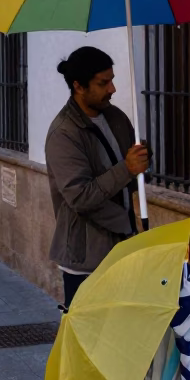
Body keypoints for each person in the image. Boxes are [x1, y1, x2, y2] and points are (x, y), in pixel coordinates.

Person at [45, 46, 149, 308]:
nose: (112, 89)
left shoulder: (115, 117)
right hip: (87, 260)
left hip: (123, 246)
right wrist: (127, 168)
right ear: (79, 86)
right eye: (103, 83)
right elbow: (80, 196)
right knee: (89, 344)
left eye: (112, 79)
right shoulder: (64, 133)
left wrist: (144, 156)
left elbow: (131, 172)